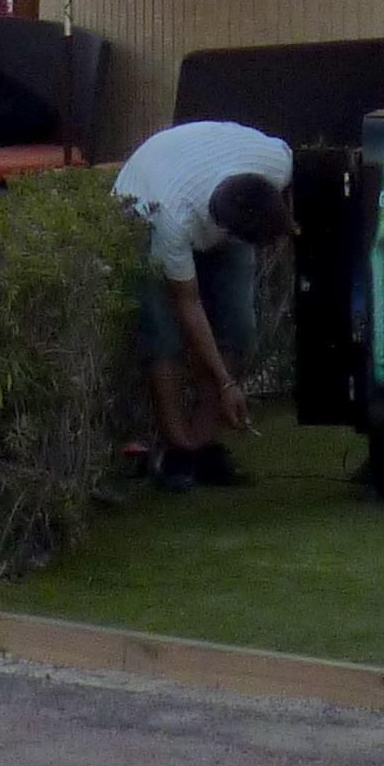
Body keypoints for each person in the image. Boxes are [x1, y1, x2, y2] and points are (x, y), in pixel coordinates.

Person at [110, 116, 295, 491]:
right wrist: (227, 384)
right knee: (163, 335)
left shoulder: (277, 164)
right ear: (225, 230)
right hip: (144, 203)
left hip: (202, 174)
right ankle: (177, 450)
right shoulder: (172, 220)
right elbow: (188, 303)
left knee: (239, 327)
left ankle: (200, 444)